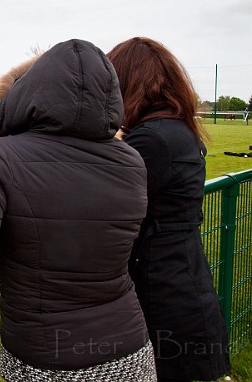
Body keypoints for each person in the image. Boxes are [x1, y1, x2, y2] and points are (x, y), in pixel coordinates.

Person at [0, 39, 155, 381]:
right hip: (130, 346)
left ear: (33, 91)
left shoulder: (3, 156)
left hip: (45, 357)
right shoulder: (131, 160)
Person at [107, 37, 230, 382]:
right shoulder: (170, 128)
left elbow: (102, 200)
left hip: (165, 294)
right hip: (176, 281)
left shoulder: (152, 139)